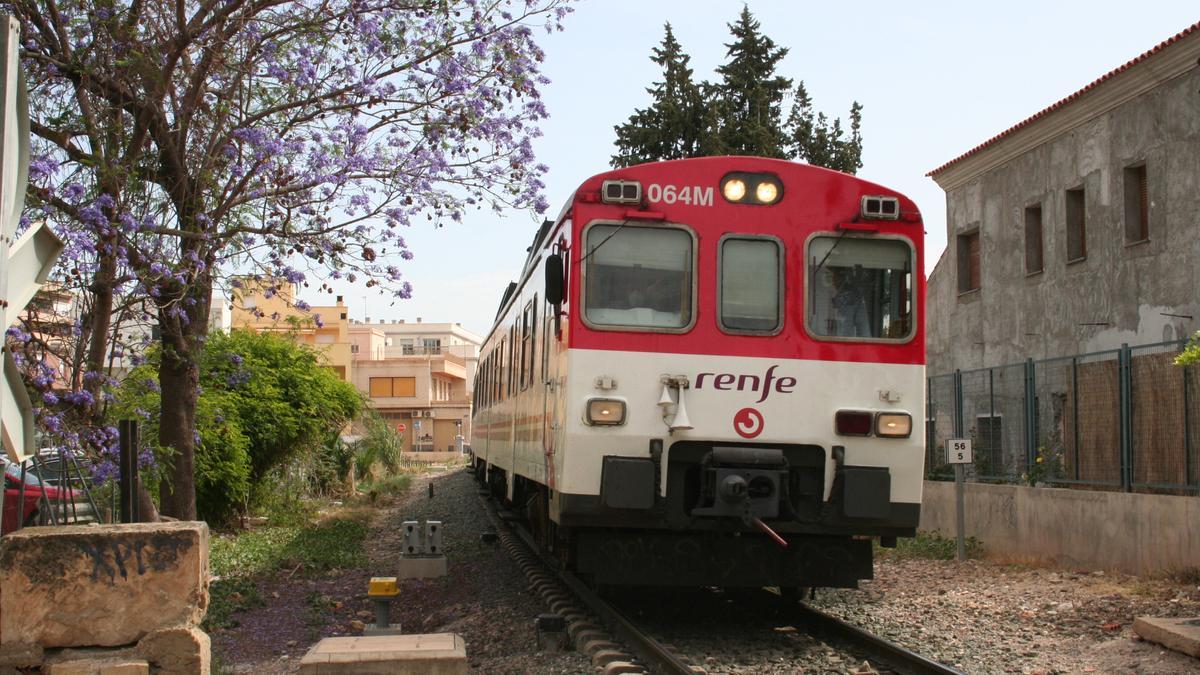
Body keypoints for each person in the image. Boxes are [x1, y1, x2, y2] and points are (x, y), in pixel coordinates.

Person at [831, 266, 871, 337]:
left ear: (840, 278)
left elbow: (845, 328)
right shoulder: (855, 294)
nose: (832, 281)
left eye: (834, 276)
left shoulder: (846, 296)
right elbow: (864, 330)